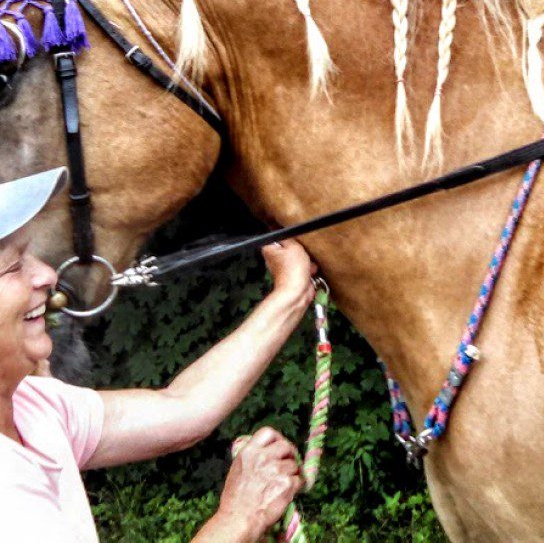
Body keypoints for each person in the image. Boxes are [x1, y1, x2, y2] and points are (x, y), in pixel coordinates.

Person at [0, 166, 315, 543]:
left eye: (31, 256)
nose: (47, 276)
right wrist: (241, 517)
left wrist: (291, 294)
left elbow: (183, 407)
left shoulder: (32, 406)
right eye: (14, 267)